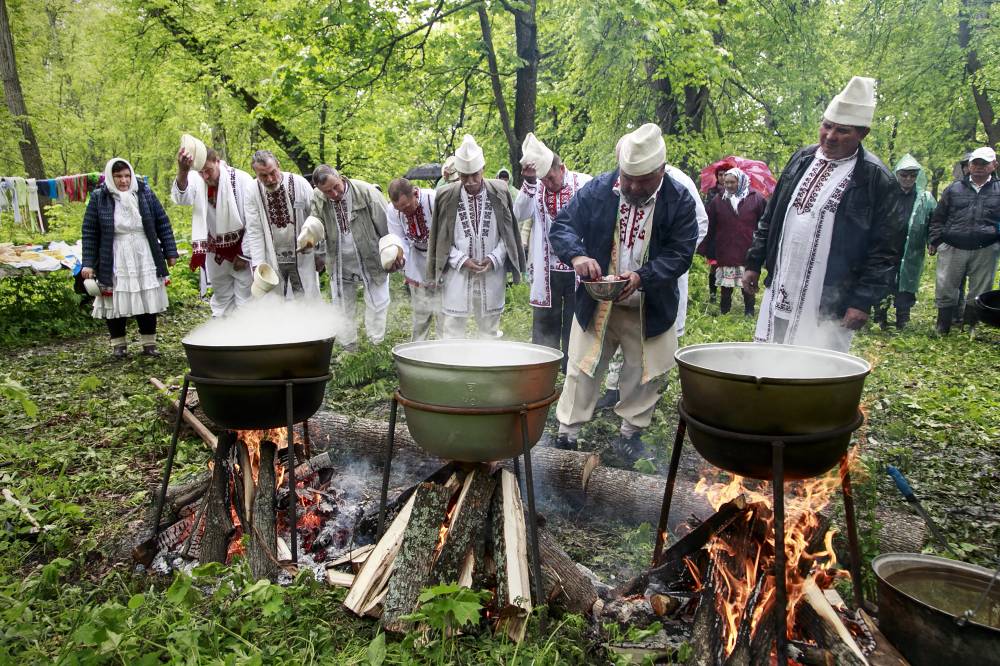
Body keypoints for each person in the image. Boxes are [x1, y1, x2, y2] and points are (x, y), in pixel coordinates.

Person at [549, 123, 698, 462]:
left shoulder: (679, 201)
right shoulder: (601, 189)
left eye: (641, 180)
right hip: (598, 298)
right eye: (627, 176)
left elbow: (680, 254)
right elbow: (564, 226)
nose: (630, 185)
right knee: (582, 365)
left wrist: (642, 276)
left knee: (645, 370)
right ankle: (567, 434)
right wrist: (578, 255)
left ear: (660, 170)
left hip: (649, 302)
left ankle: (630, 435)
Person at [742, 76, 904, 352]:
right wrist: (753, 262)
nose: (830, 136)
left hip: (829, 293)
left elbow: (886, 249)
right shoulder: (802, 159)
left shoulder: (876, 178)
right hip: (783, 281)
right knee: (774, 352)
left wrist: (862, 300)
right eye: (827, 126)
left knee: (817, 363)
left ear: (862, 133)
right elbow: (772, 215)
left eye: (842, 130)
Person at [427, 134, 525, 338]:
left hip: (491, 272)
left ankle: (487, 367)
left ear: (483, 169)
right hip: (458, 273)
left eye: (474, 175)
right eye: (464, 176)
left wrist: (494, 258)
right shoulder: (445, 195)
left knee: (489, 330)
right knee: (453, 329)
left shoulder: (500, 190)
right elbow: (440, 239)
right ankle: (454, 368)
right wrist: (461, 261)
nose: (470, 182)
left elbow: (508, 234)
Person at [81, 158, 179, 358]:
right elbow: (90, 231)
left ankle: (149, 343)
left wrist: (170, 251)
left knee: (146, 294)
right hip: (114, 252)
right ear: (110, 176)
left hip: (144, 250)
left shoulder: (144, 192)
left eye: (127, 175)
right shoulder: (100, 197)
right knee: (115, 298)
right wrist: (89, 263)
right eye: (118, 176)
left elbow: (162, 221)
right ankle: (119, 344)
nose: (123, 181)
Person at [514, 133, 592, 370]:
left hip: (577, 267)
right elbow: (519, 213)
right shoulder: (535, 188)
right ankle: (542, 365)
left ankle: (572, 367)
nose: (547, 183)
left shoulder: (584, 183)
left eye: (550, 177)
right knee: (545, 319)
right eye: (542, 180)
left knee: (574, 319)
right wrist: (528, 184)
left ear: (562, 168)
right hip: (546, 267)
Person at [308, 165, 395, 347]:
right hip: (339, 258)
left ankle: (375, 345)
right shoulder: (317, 197)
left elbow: (387, 230)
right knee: (342, 306)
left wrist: (393, 253)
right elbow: (316, 225)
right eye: (327, 191)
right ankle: (349, 347)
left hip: (369, 255)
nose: (333, 194)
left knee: (377, 303)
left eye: (335, 187)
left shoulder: (366, 192)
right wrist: (318, 253)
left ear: (341, 178)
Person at [172, 144, 256, 316]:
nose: (205, 176)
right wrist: (183, 171)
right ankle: (223, 338)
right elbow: (181, 198)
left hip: (240, 248)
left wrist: (244, 254)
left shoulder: (242, 179)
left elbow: (253, 222)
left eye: (208, 170)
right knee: (221, 297)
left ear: (217, 161)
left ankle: (247, 338)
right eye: (201, 172)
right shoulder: (197, 180)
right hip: (214, 251)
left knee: (245, 299)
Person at [927, 146, 1000, 334]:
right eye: (975, 162)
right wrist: (935, 240)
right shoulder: (953, 189)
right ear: (969, 165)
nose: (979, 167)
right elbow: (938, 217)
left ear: (994, 165)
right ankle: (942, 326)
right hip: (952, 246)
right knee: (945, 287)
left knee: (980, 289)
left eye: (984, 163)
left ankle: (970, 326)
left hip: (986, 247)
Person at [873, 154, 936, 330]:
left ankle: (903, 318)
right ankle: (880, 317)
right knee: (883, 280)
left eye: (912, 175)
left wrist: (932, 240)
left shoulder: (925, 198)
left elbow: (934, 222)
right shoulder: (887, 195)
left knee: (907, 283)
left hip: (912, 250)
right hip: (887, 247)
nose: (908, 179)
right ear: (897, 174)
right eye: (904, 175)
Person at [243, 150, 318, 298]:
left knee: (307, 299)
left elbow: (316, 218)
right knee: (276, 302)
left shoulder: (299, 184)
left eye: (273, 172)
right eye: (263, 176)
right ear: (255, 173)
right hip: (271, 258)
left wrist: (317, 248)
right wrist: (258, 265)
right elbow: (254, 230)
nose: (270, 179)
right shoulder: (252, 191)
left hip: (302, 256)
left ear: (278, 165)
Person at [703, 167, 767, 317]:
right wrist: (706, 247)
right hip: (726, 248)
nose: (729, 186)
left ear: (741, 181)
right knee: (726, 285)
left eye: (732, 182)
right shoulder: (718, 200)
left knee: (748, 282)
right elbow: (710, 225)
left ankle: (749, 312)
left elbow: (764, 223)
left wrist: (762, 247)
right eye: (726, 183)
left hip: (747, 248)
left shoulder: (756, 198)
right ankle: (724, 312)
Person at [387, 177, 440, 341]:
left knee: (443, 311)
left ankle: (445, 351)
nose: (404, 211)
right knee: (421, 312)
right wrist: (400, 259)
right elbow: (399, 239)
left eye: (406, 206)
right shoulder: (393, 210)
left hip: (441, 259)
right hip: (416, 258)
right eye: (399, 208)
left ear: (415, 194)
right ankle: (416, 351)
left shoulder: (435, 199)